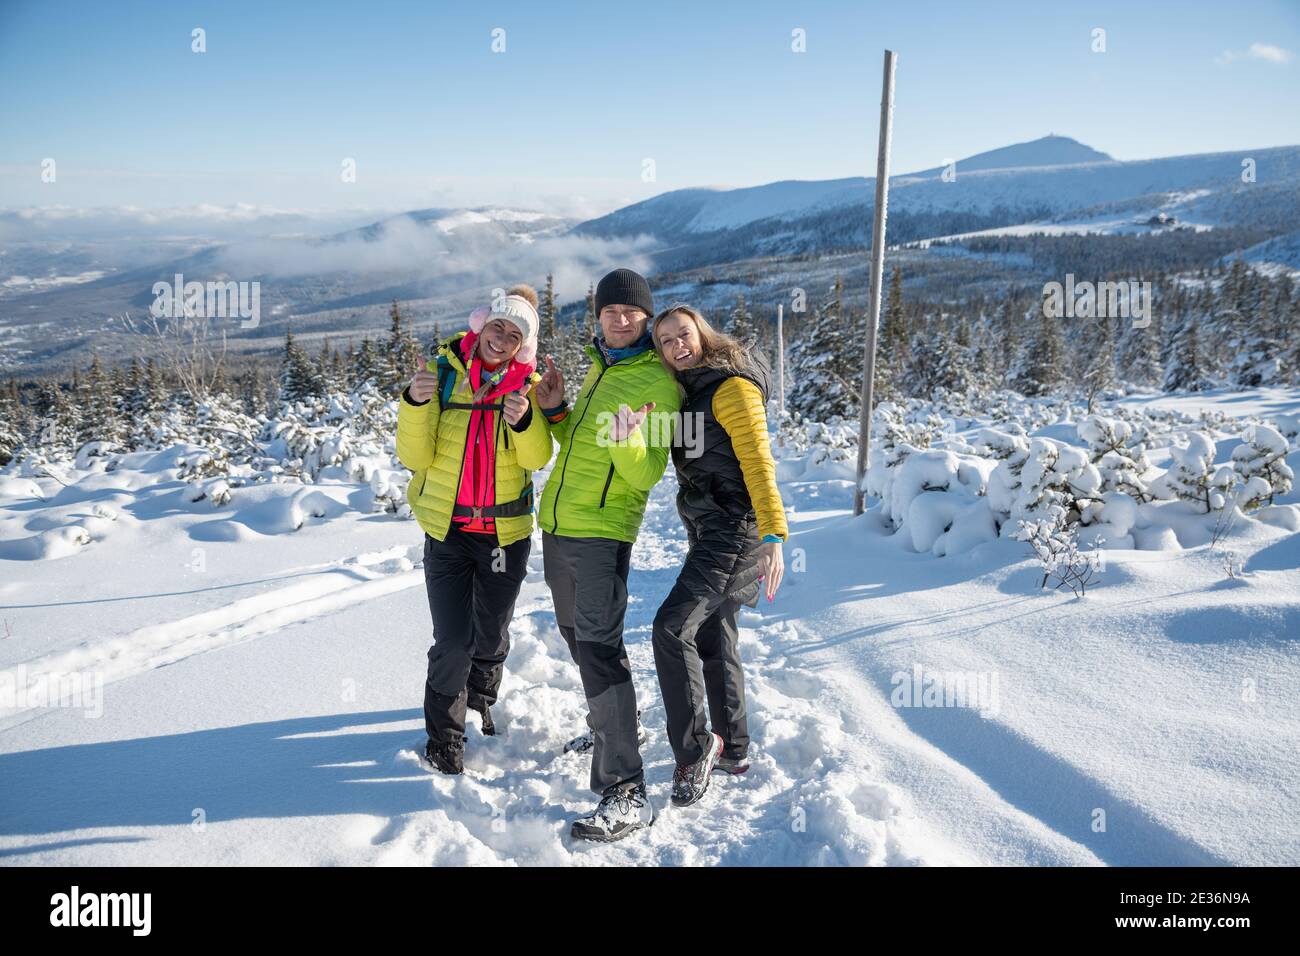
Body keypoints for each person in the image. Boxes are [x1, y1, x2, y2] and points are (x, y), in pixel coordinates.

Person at [533, 268, 682, 842]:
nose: (620, 320)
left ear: (646, 317)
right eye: (610, 311)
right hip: (559, 525)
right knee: (576, 636)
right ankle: (616, 724)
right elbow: (578, 443)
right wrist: (556, 412)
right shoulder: (602, 366)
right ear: (597, 317)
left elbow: (646, 472)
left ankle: (626, 789)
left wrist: (626, 439)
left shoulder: (658, 381)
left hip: (602, 533)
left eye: (631, 312)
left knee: (599, 649)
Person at [396, 285, 554, 774]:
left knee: (489, 633)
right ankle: (444, 738)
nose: (501, 338)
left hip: (504, 535)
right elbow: (413, 455)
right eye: (496, 326)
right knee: (452, 641)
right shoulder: (443, 376)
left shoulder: (528, 386)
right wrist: (415, 403)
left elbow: (536, 459)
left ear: (522, 346)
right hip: (448, 531)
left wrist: (525, 423)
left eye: (514, 334)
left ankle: (481, 699)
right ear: (481, 325)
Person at [649, 303, 787, 808]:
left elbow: (758, 462)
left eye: (683, 334)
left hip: (734, 531)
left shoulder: (731, 388)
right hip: (710, 528)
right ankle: (735, 749)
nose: (676, 346)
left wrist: (774, 535)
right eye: (666, 340)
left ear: (702, 334)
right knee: (715, 634)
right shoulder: (691, 393)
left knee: (671, 627)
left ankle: (695, 749)